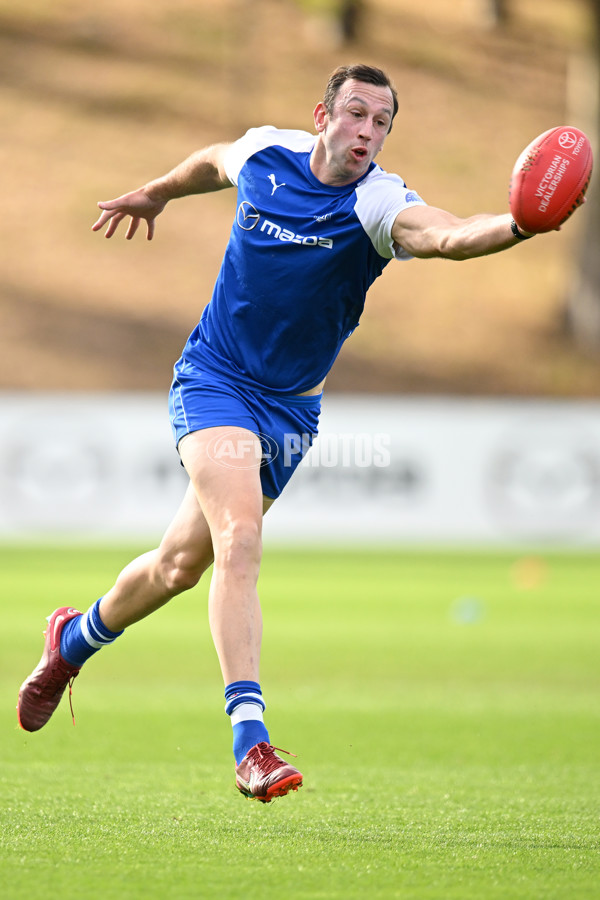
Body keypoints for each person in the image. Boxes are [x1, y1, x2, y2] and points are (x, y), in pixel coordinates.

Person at [18, 63, 548, 802]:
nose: (367, 132)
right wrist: (160, 192)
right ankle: (251, 743)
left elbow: (449, 237)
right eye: (356, 114)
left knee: (179, 567)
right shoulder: (267, 154)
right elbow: (214, 160)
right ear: (322, 115)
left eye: (382, 122)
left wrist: (519, 224)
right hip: (215, 381)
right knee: (240, 540)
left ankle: (71, 641)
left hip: (292, 412)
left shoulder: (378, 204)